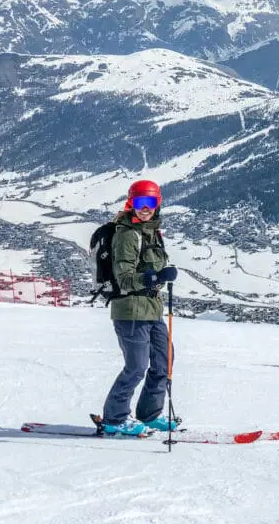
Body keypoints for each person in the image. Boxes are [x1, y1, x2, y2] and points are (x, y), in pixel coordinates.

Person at [101, 179, 179, 436]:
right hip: (130, 310)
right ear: (130, 203)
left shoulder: (152, 232)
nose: (145, 208)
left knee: (163, 361)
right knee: (136, 366)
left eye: (151, 202)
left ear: (157, 205)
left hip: (152, 308)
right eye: (139, 202)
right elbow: (123, 278)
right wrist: (155, 277)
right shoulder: (127, 235)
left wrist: (162, 274)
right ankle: (115, 418)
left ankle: (149, 414)